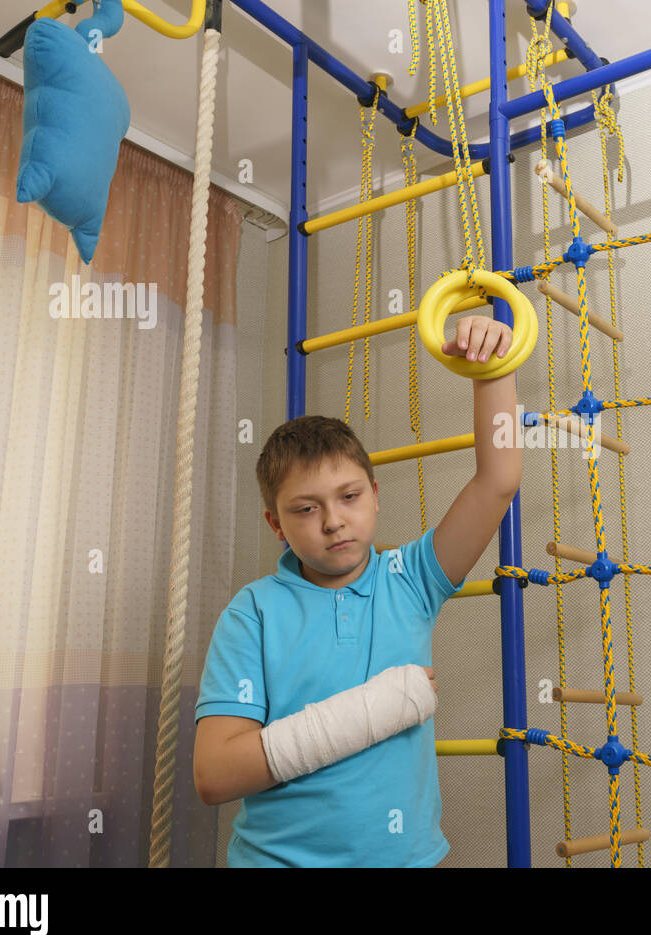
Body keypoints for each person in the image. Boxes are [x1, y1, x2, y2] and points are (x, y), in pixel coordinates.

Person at [193, 314, 522, 866]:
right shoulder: (252, 613)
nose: (333, 522)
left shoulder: (413, 579)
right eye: (305, 508)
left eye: (348, 497)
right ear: (276, 524)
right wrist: (372, 710)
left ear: (375, 494)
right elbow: (214, 776)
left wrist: (493, 372)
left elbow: (499, 480)